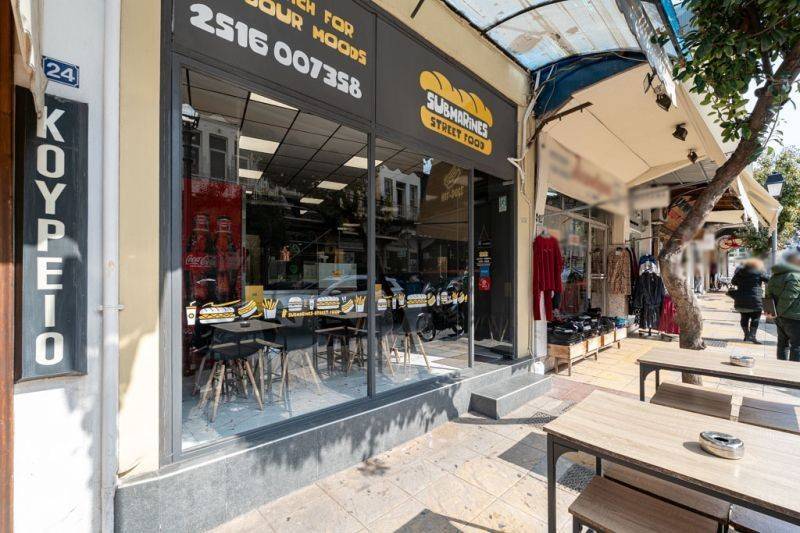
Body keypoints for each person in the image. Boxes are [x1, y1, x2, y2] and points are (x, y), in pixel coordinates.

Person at [765, 251, 800, 361]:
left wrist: (773, 313)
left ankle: (780, 368)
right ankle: (791, 371)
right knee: (797, 346)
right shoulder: (795, 276)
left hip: (780, 318)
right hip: (794, 318)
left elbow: (768, 295)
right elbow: (788, 297)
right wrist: (778, 313)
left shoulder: (775, 275)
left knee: (782, 344)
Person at [731, 258, 769, 344]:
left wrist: (742, 283)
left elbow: (733, 282)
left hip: (741, 299)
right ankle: (752, 336)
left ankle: (746, 335)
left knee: (744, 316)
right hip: (755, 300)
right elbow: (768, 279)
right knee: (756, 317)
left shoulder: (740, 272)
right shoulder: (759, 271)